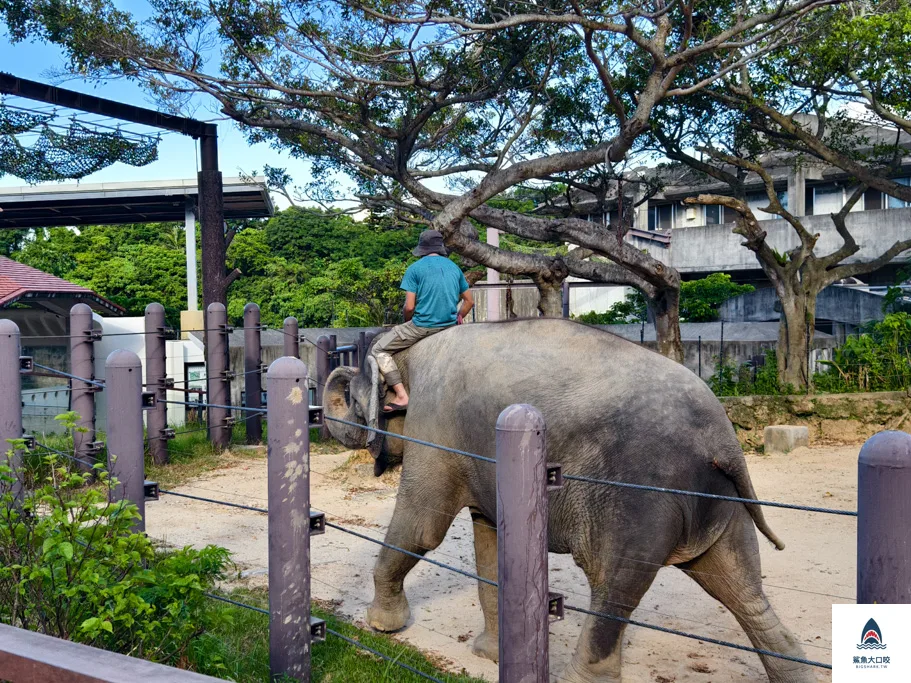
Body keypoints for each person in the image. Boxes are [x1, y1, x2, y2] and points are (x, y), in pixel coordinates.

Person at [371, 229, 473, 413]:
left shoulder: (414, 269)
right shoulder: (454, 267)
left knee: (379, 349)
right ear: (439, 248)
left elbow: (409, 307)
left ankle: (402, 396)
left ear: (422, 249)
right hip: (449, 326)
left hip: (423, 326)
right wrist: (458, 317)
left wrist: (406, 323)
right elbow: (469, 301)